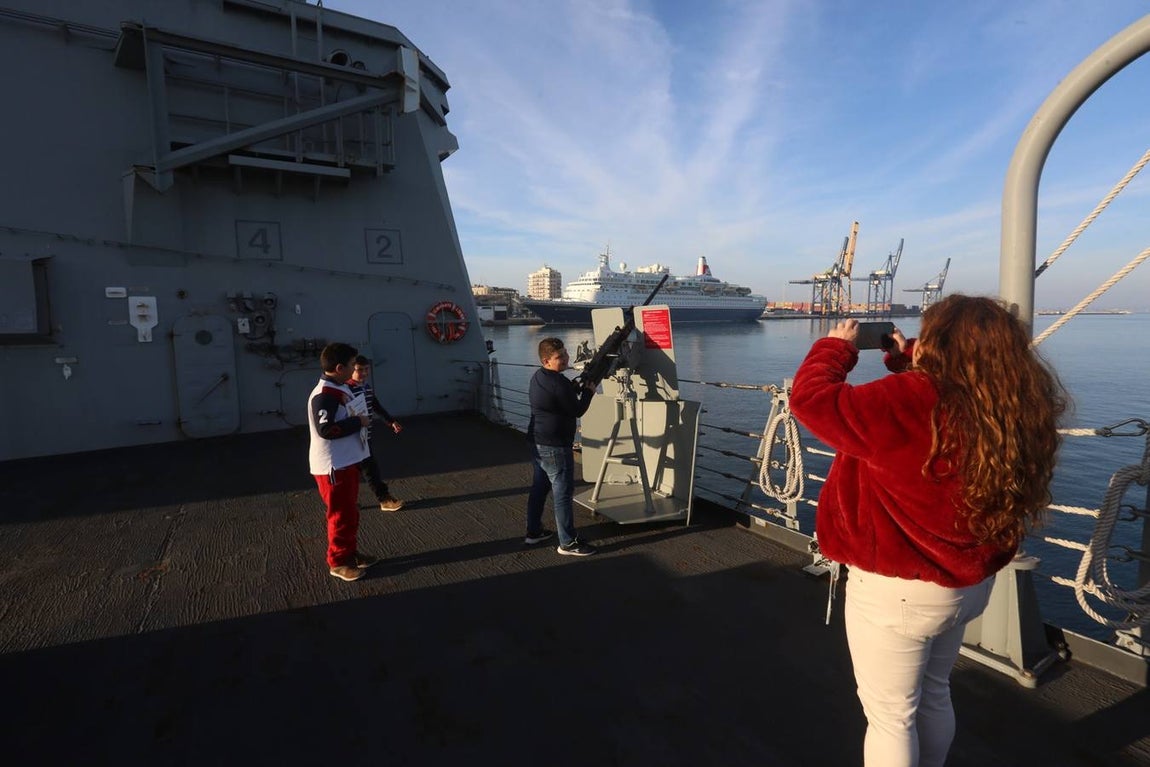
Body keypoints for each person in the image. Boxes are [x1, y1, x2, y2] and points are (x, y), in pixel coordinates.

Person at [789, 296, 1066, 767]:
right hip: (969, 586)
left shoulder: (907, 401)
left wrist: (834, 350)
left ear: (938, 342)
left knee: (891, 718)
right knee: (934, 693)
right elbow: (951, 388)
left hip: (896, 593)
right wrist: (907, 357)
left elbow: (812, 401)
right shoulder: (1014, 403)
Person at [307, 342, 379, 582]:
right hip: (333, 467)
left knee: (350, 512)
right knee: (340, 515)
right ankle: (338, 562)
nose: (354, 369)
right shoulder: (324, 396)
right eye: (351, 365)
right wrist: (359, 422)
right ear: (339, 368)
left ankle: (349, 552)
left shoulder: (338, 389)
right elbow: (325, 429)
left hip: (346, 462)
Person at [526, 337, 598, 556]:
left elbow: (561, 398)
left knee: (540, 487)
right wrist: (589, 391)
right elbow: (577, 410)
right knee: (563, 492)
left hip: (538, 442)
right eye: (560, 357)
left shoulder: (539, 377)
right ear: (546, 360)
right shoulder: (558, 383)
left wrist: (574, 387)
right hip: (555, 446)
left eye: (566, 354)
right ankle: (567, 542)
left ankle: (534, 532)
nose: (566, 359)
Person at [348, 355, 405, 512]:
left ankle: (346, 504)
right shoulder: (346, 389)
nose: (365, 373)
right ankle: (384, 499)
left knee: (356, 472)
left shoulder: (366, 387)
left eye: (367, 369)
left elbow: (376, 406)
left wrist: (391, 421)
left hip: (365, 436)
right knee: (369, 471)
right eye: (360, 370)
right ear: (350, 370)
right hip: (352, 439)